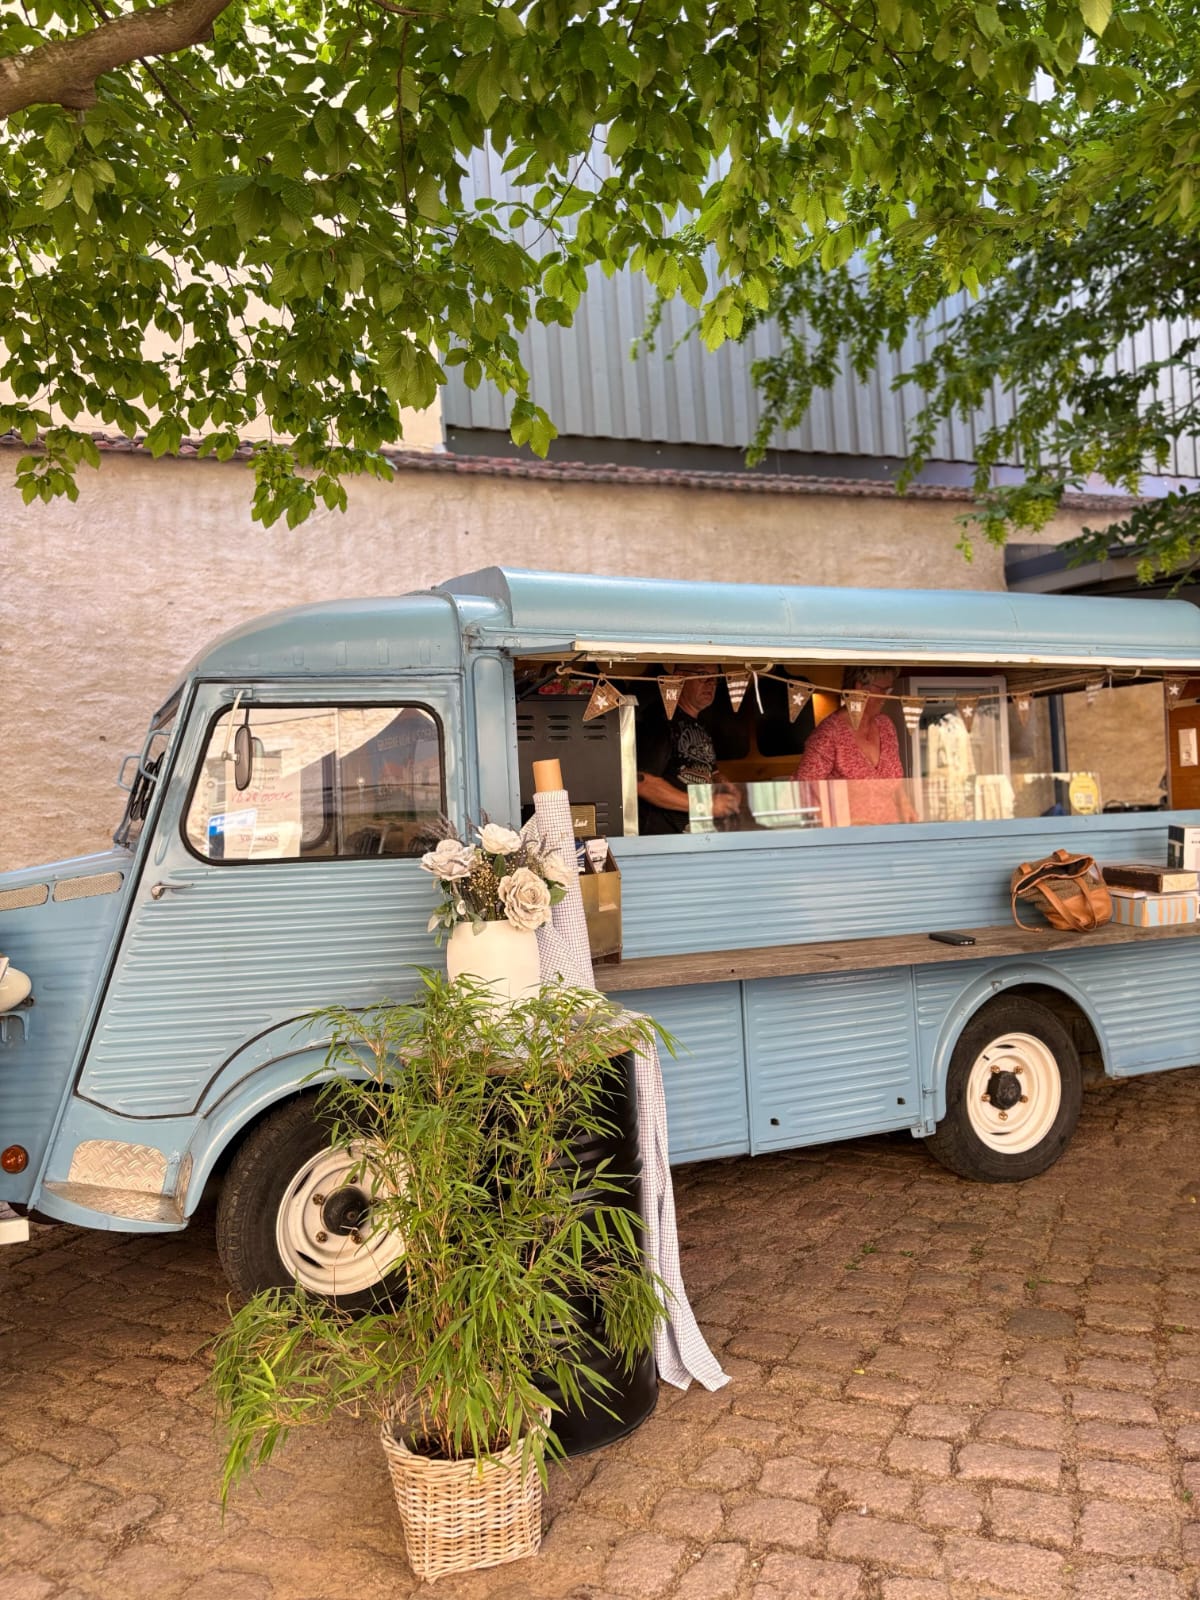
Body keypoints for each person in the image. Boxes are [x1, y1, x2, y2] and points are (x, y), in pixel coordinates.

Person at [792, 665, 914, 824]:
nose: (886, 697)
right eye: (883, 690)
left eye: (889, 691)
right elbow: (803, 792)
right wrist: (841, 824)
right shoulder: (829, 734)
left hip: (890, 833)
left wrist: (905, 804)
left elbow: (894, 782)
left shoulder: (885, 726)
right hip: (849, 840)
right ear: (860, 688)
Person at [636, 669, 743, 834]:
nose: (711, 683)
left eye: (715, 678)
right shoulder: (659, 720)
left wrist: (722, 783)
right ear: (679, 677)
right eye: (703, 675)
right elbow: (642, 783)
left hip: (695, 834)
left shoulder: (701, 726)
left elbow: (709, 771)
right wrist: (706, 805)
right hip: (664, 839)